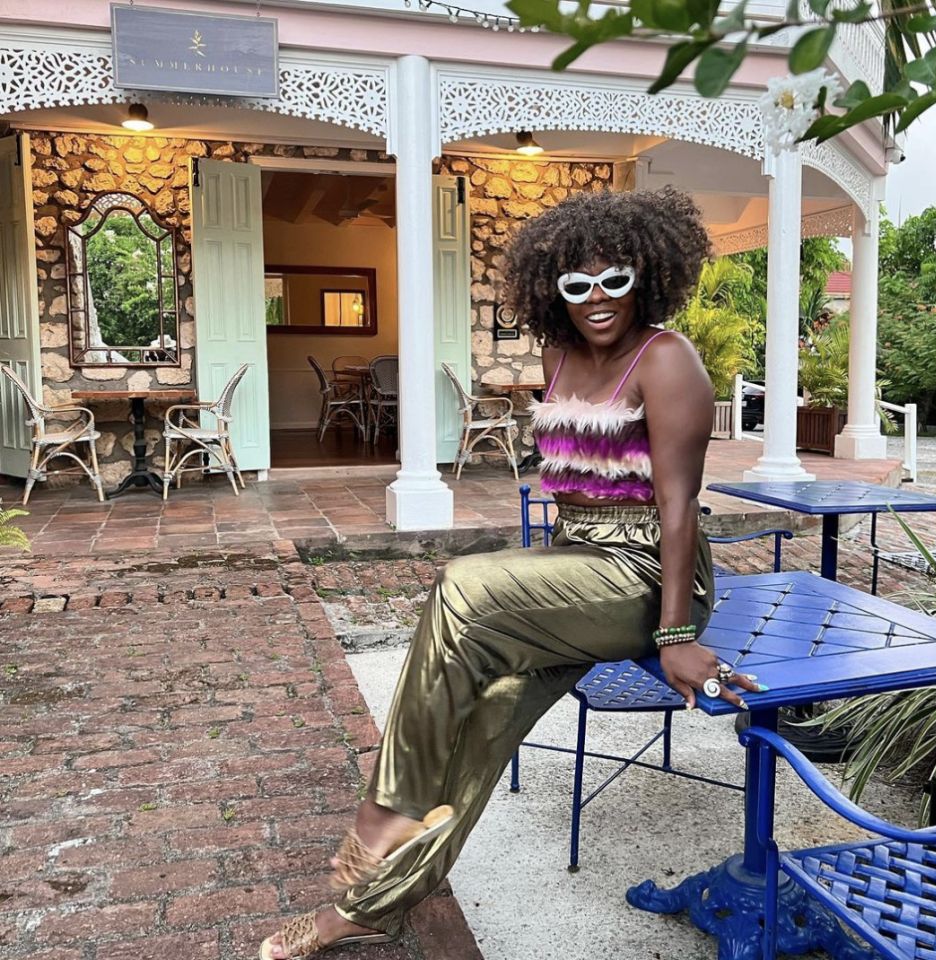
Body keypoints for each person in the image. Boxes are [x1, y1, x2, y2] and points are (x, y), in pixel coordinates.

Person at [260, 187, 763, 959]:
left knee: (463, 586)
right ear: (550, 287)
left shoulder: (666, 360)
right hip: (575, 566)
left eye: (615, 279)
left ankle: (387, 805)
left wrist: (674, 634)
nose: (597, 298)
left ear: (647, 275)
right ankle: (370, 906)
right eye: (576, 283)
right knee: (487, 711)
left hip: (648, 574)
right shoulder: (558, 357)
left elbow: (679, 507)